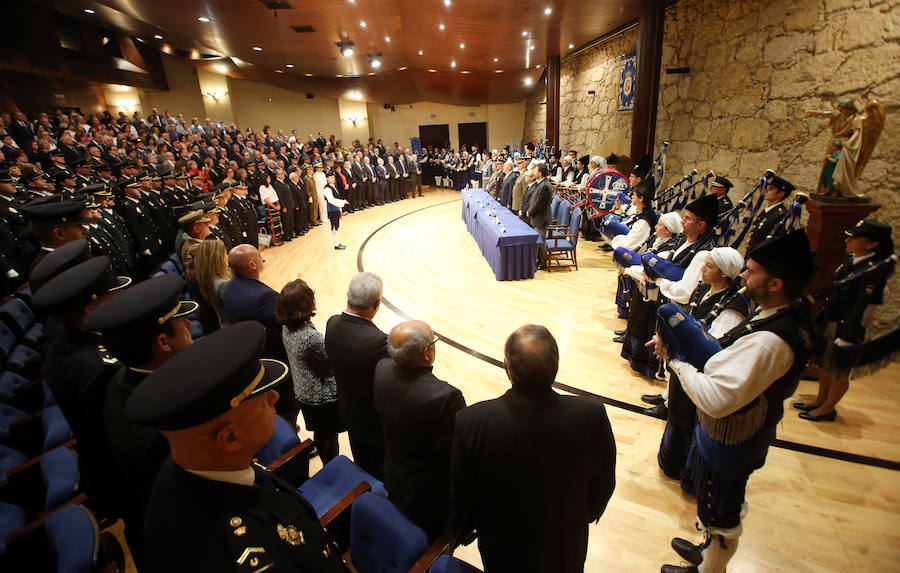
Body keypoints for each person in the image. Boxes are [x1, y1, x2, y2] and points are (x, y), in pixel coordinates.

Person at [126, 322, 346, 573]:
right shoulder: (252, 555)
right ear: (230, 438)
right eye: (261, 397)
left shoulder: (186, 465)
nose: (274, 396)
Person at [656, 230, 816, 573]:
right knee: (713, 504)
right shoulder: (777, 313)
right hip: (735, 434)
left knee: (722, 512)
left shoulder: (772, 341)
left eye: (752, 271)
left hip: (735, 440)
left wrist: (675, 359)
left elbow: (716, 399)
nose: (742, 275)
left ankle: (710, 568)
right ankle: (706, 552)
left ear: (776, 284)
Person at [451, 325, 617, 573]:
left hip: (501, 543)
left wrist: (467, 527)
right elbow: (604, 481)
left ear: (506, 369)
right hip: (566, 541)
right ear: (556, 367)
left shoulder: (471, 421)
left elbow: (464, 490)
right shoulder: (592, 415)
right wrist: (584, 514)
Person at [81, 273, 197, 568]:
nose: (188, 325)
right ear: (163, 342)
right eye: (181, 322)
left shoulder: (122, 379)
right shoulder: (165, 422)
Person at [652, 247, 749, 484]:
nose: (702, 269)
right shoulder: (705, 289)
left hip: (700, 371)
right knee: (677, 411)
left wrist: (673, 347)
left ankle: (686, 469)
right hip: (685, 362)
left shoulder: (732, 309)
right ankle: (671, 458)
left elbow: (713, 345)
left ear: (725, 273)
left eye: (709, 266)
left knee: (689, 419)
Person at [794, 219, 895, 421]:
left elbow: (864, 309)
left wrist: (849, 336)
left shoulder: (873, 270)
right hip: (832, 320)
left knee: (839, 371)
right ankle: (820, 399)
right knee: (825, 365)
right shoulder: (852, 260)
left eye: (855, 238)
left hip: (848, 327)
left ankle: (828, 408)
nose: (848, 241)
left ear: (872, 244)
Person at [374, 320, 465, 539]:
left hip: (395, 473)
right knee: (434, 544)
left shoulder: (381, 368)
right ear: (426, 354)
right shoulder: (446, 397)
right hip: (429, 493)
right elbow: (458, 452)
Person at [223, 244, 300, 425]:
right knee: (287, 408)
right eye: (258, 256)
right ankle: (289, 436)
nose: (261, 259)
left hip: (249, 354)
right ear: (252, 265)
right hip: (274, 360)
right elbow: (286, 320)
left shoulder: (229, 288)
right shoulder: (264, 297)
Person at [324, 272, 388, 479]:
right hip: (374, 418)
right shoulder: (379, 341)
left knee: (361, 460)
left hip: (348, 408)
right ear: (377, 304)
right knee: (380, 468)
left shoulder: (332, 323)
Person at [276, 279, 344, 463]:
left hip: (302, 391)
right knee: (329, 436)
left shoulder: (286, 327)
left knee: (321, 433)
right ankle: (332, 467)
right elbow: (330, 365)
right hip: (320, 397)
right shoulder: (310, 338)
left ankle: (329, 465)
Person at [745, 173, 795, 255]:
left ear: (781, 193)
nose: (766, 191)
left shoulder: (781, 214)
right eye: (767, 187)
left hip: (760, 256)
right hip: (751, 253)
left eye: (771, 189)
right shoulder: (766, 211)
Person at [191, 238, 232, 331]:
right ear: (218, 258)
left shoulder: (207, 278)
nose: (227, 256)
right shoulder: (222, 284)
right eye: (225, 253)